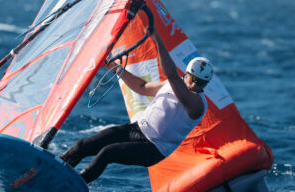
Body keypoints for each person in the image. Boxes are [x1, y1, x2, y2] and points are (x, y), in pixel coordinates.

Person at [60, 28, 214, 183]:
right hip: (136, 130)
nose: (195, 84)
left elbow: (172, 75)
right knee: (83, 145)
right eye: (193, 79)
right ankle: (54, 169)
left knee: (108, 153)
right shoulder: (171, 83)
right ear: (186, 74)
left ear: (206, 83)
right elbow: (141, 87)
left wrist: (157, 39)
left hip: (154, 148)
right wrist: (114, 67)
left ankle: (71, 185)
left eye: (200, 82)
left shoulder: (197, 104)